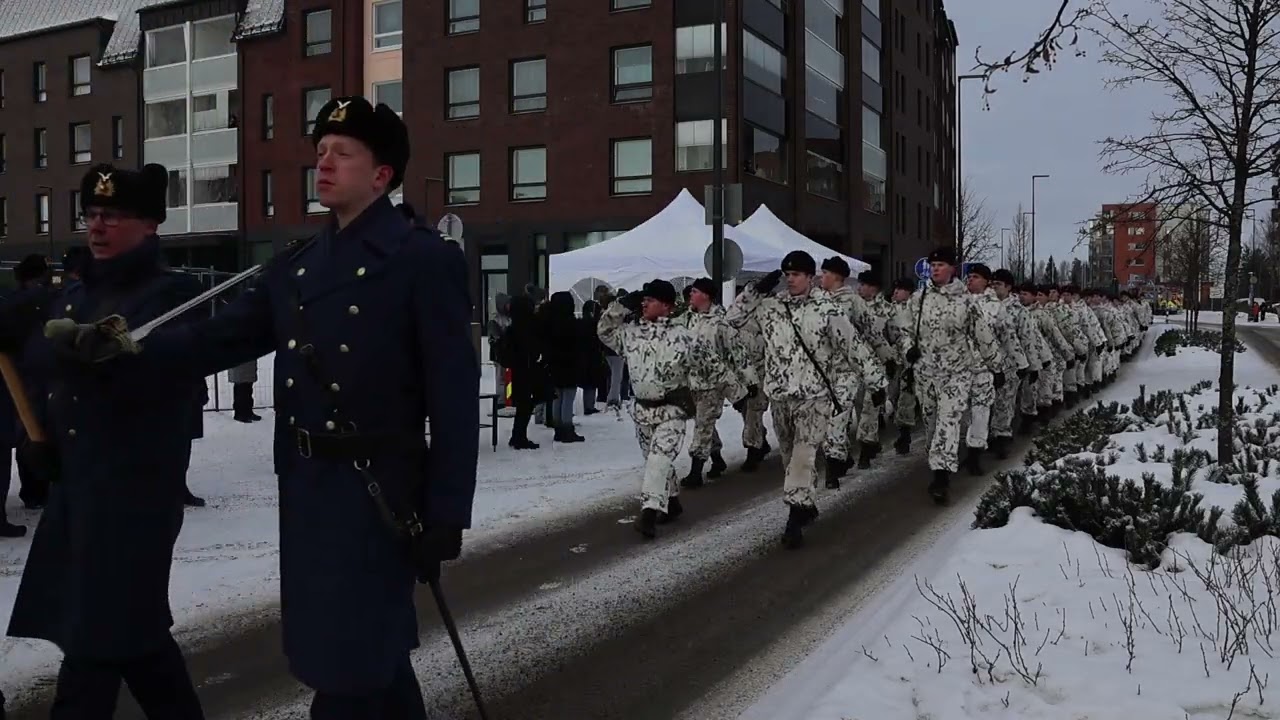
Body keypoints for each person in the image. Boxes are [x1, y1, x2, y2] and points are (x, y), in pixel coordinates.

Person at [46, 97, 480, 717]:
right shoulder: (297, 266)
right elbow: (213, 339)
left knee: (351, 662)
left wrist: (446, 510)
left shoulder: (421, 259)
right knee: (356, 655)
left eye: (342, 154)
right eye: (320, 152)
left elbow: (456, 396)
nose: (323, 163)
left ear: (382, 175)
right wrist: (124, 348)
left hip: (378, 494)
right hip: (308, 490)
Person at [3, 162, 207, 717]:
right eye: (92, 214)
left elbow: (143, 372)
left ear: (150, 225)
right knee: (135, 642)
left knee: (95, 641)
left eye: (112, 216)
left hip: (135, 499)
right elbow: (42, 360)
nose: (96, 226)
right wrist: (38, 441)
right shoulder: (73, 295)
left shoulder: (172, 294)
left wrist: (88, 351)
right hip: (80, 493)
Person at [726, 252, 885, 546]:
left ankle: (794, 520)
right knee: (790, 458)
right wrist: (753, 292)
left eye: (797, 274)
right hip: (782, 399)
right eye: (787, 274)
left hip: (814, 399)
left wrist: (876, 382)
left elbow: (853, 346)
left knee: (802, 457)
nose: (790, 278)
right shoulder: (771, 308)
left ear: (810, 277)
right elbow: (732, 320)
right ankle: (806, 503)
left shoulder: (827, 309)